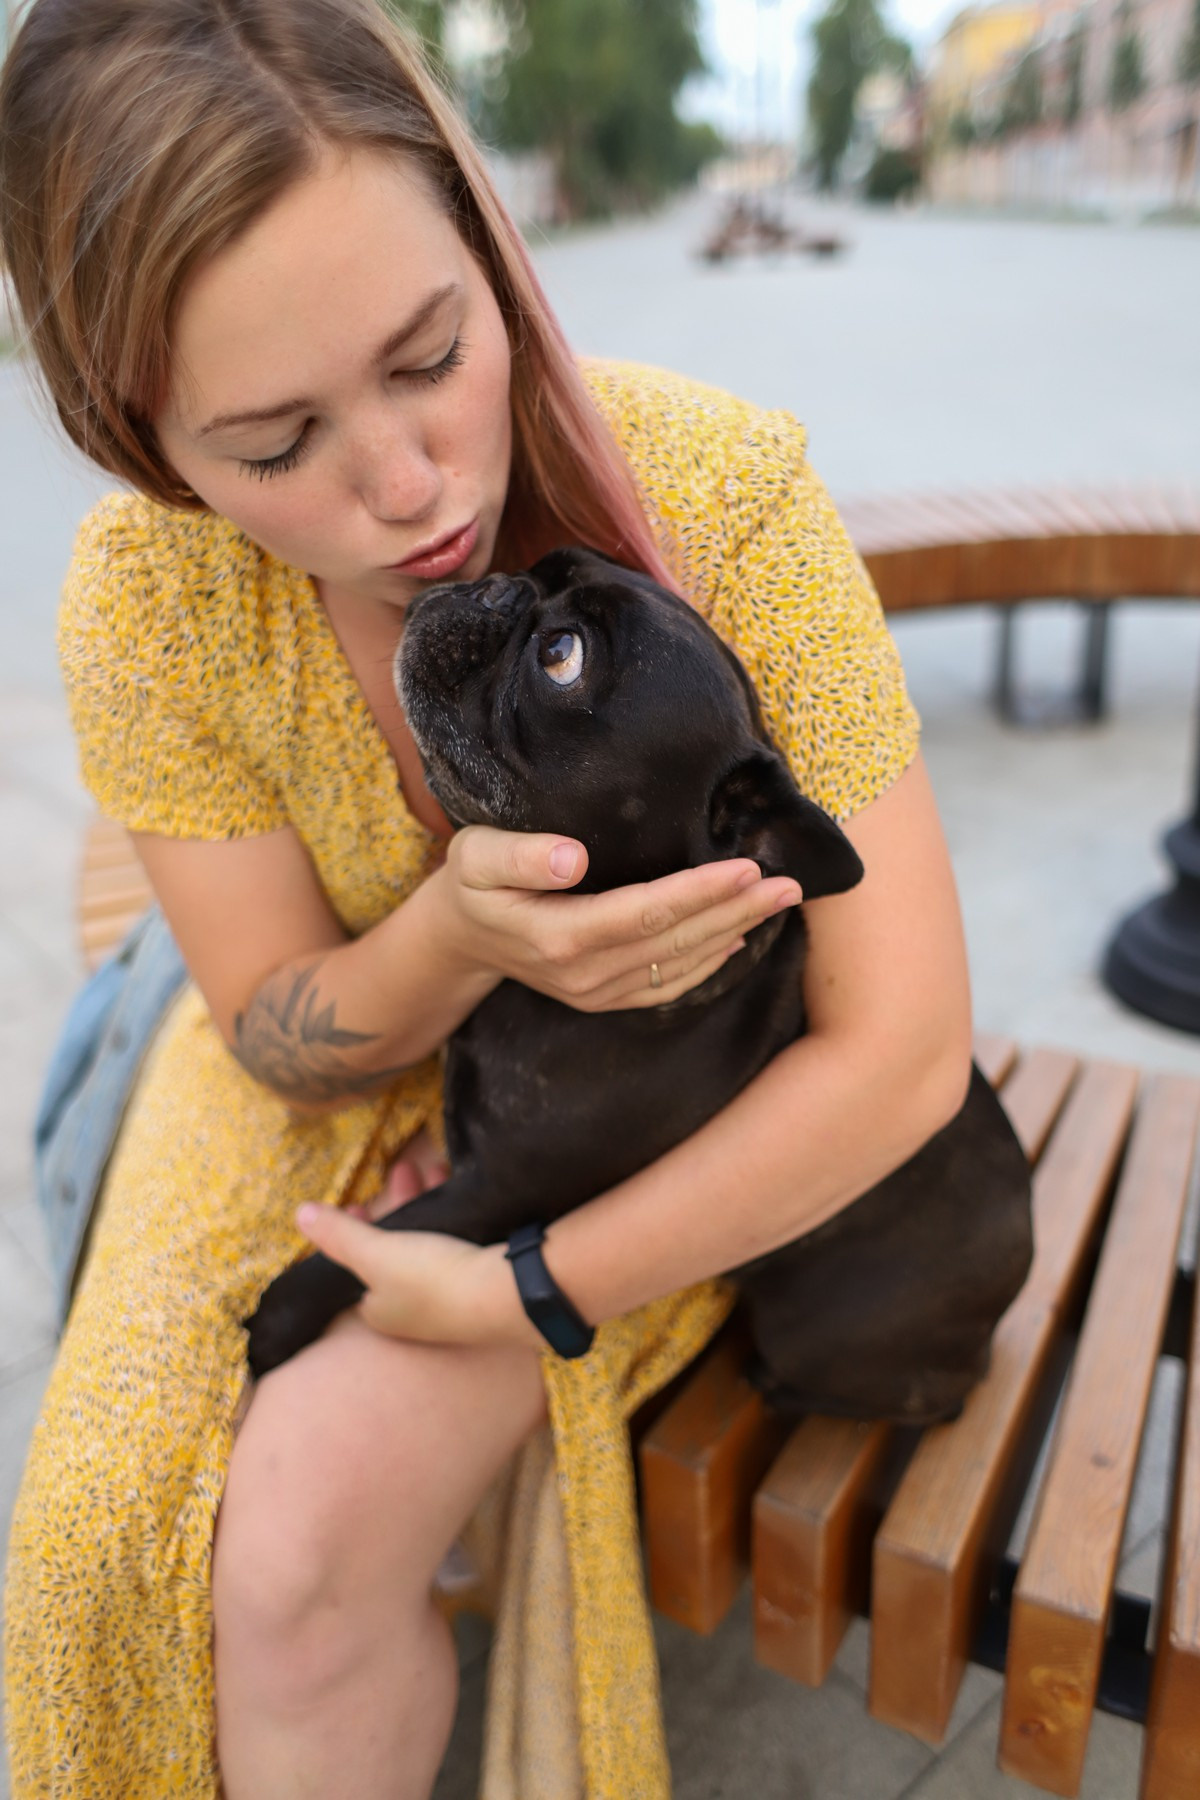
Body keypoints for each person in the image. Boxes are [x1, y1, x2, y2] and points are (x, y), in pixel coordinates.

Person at [0, 1, 972, 1795]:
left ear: (490, 244)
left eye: (433, 352)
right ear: (141, 440)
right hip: (337, 1066)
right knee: (88, 1534)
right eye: (273, 445)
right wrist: (456, 932)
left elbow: (903, 1047)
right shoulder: (151, 597)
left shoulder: (721, 500)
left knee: (295, 1547)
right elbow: (272, 1024)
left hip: (655, 1125)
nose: (407, 488)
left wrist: (535, 1288)